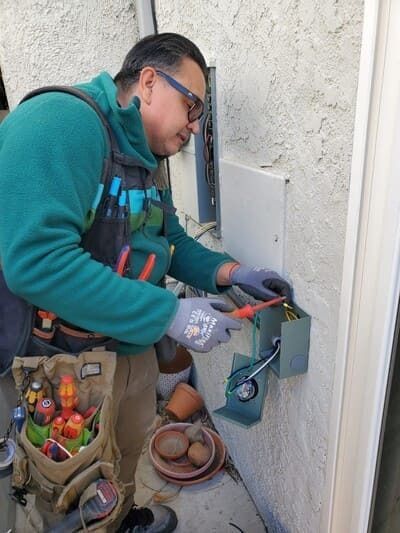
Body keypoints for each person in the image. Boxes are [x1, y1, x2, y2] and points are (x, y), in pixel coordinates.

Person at [0, 33, 291, 532]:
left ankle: (121, 517)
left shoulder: (145, 159)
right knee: (64, 488)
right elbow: (37, 261)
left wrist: (231, 273)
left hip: (127, 349)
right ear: (150, 82)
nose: (196, 129)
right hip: (57, 364)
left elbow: (169, 241)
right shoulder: (61, 122)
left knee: (123, 457)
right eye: (192, 106)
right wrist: (170, 314)